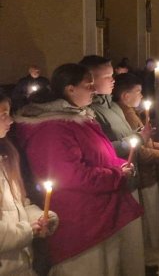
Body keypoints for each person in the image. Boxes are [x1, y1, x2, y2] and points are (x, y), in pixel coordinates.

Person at [15, 63, 142, 275]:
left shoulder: (78, 118)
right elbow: (71, 176)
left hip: (98, 213)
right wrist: (117, 174)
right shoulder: (51, 129)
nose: (94, 89)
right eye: (88, 85)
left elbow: (101, 154)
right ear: (70, 89)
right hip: (78, 221)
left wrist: (119, 164)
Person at [79, 55, 146, 276]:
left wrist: (137, 136)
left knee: (133, 242)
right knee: (122, 244)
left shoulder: (114, 106)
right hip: (115, 181)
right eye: (107, 76)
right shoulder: (92, 112)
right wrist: (136, 139)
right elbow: (103, 149)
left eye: (112, 75)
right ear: (90, 80)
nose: (113, 80)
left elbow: (124, 135)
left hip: (129, 175)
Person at [112, 74, 159, 274]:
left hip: (144, 174)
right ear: (125, 95)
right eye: (138, 92)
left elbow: (143, 141)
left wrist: (158, 145)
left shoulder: (130, 112)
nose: (141, 95)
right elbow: (138, 150)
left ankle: (143, 261)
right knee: (143, 224)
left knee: (146, 224)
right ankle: (140, 263)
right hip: (142, 176)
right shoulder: (125, 114)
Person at [0, 93, 58, 275]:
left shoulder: (5, 157)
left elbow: (19, 203)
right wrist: (27, 231)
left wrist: (41, 217)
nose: (10, 120)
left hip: (21, 264)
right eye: (3, 115)